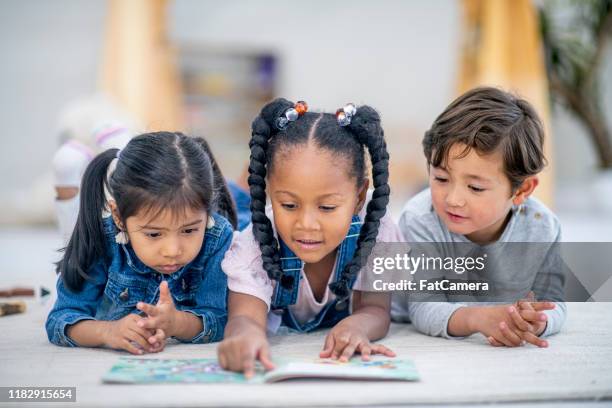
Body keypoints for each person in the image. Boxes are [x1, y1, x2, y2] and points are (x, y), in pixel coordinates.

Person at [218, 99, 401, 376]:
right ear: (270, 191)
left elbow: (376, 309)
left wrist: (356, 326)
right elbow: (244, 316)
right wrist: (244, 336)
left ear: (360, 197)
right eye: (289, 205)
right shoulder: (254, 244)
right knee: (226, 211)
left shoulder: (376, 233)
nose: (306, 224)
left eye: (327, 207)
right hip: (243, 220)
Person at [392, 87, 566, 348]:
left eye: (475, 188)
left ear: (522, 190)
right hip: (413, 332)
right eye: (441, 178)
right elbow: (423, 307)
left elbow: (554, 302)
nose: (453, 199)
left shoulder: (543, 227)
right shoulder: (421, 219)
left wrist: (536, 321)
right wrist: (478, 318)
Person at [46, 131, 236, 354]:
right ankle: (71, 177)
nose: (172, 251)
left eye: (189, 230)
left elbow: (220, 319)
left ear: (207, 213)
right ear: (118, 217)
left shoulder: (217, 235)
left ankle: (120, 143)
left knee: (244, 209)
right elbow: (61, 319)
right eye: (154, 234)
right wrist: (107, 331)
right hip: (102, 230)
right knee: (73, 231)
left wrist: (178, 323)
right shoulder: (102, 236)